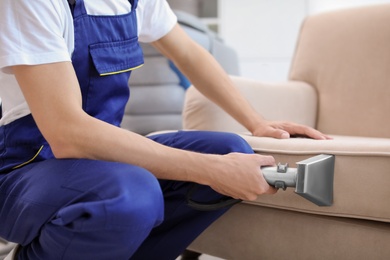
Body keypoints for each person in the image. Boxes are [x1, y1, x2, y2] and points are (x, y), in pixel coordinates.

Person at [0, 0, 330, 259]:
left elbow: (189, 53)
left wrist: (256, 121)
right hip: (24, 171)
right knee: (131, 193)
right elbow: (68, 133)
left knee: (231, 151)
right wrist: (213, 170)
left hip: (98, 165)